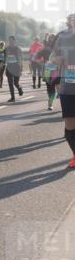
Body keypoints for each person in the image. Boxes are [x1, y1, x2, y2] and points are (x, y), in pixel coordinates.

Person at [45, 16, 75, 168]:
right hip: (68, 87)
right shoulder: (62, 37)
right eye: (71, 21)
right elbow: (52, 58)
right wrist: (60, 59)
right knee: (69, 127)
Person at [37, 34, 60, 111]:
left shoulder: (59, 48)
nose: (52, 40)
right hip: (47, 70)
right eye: (50, 39)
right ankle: (50, 104)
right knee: (50, 88)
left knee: (58, 87)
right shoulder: (45, 48)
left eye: (53, 39)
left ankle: (60, 99)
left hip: (56, 70)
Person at [4, 36, 25, 102]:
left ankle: (19, 88)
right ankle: (12, 97)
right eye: (9, 41)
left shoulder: (18, 49)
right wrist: (3, 63)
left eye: (12, 41)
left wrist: (21, 67)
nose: (11, 42)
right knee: (10, 83)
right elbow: (4, 57)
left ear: (14, 41)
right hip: (9, 67)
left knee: (16, 83)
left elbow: (21, 59)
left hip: (16, 67)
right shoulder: (6, 48)